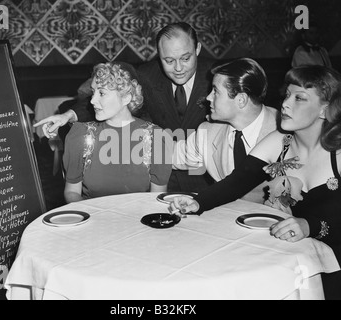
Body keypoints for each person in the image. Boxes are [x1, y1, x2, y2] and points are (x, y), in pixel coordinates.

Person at [170, 65, 341, 300]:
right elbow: (235, 184)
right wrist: (197, 203)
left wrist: (310, 225)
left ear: (325, 109)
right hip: (306, 257)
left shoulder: (338, 151)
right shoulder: (279, 141)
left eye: (299, 98)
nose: (286, 104)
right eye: (287, 95)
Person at [34, 22, 216, 193]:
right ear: (159, 56)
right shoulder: (149, 75)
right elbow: (106, 93)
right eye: (168, 60)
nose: (178, 68)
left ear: (197, 49)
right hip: (162, 182)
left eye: (185, 58)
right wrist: (67, 115)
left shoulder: (217, 77)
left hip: (208, 181)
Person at [63, 62, 172, 202]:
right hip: (93, 219)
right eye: (93, 92)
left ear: (126, 97)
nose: (92, 101)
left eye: (101, 93)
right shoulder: (81, 135)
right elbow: (72, 192)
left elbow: (156, 198)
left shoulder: (155, 138)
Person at [173, 58, 278, 204]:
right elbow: (167, 155)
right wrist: (131, 129)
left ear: (241, 100)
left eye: (215, 91)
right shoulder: (209, 131)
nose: (208, 97)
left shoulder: (286, 133)